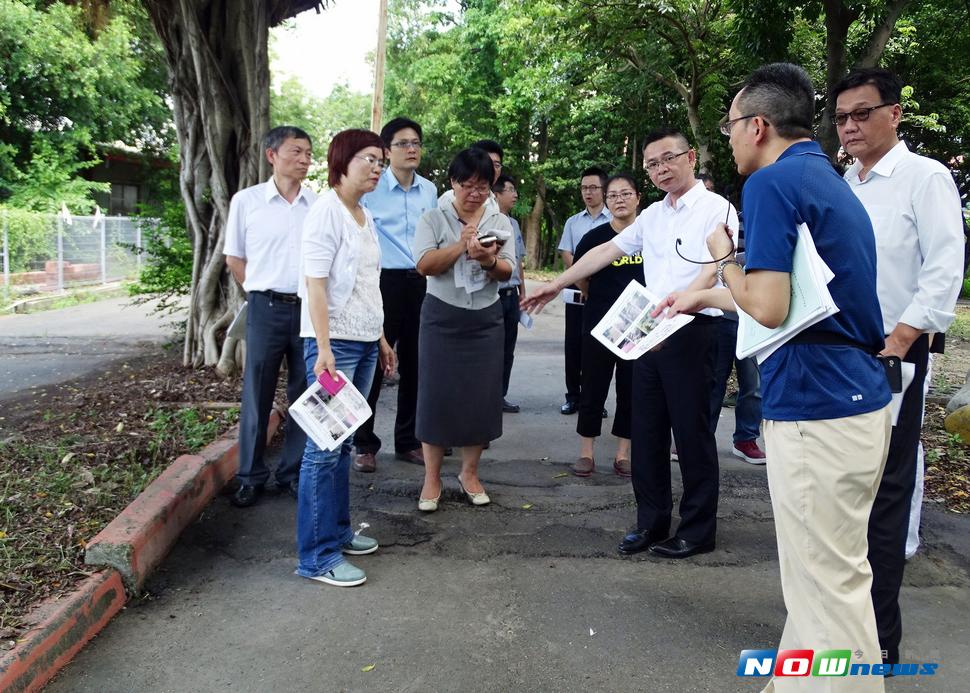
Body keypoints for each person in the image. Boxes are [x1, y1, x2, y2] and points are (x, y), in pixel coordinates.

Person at [655, 63, 893, 691]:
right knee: (832, 581)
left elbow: (768, 305)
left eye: (731, 126)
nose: (727, 140)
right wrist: (703, 298)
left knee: (823, 583)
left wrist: (721, 257)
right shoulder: (821, 176)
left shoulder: (769, 185)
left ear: (758, 126)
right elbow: (796, 301)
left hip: (817, 405)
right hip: (850, 394)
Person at [523, 128, 736, 560]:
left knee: (691, 435)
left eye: (668, 159)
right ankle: (651, 522)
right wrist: (556, 284)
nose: (661, 169)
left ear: (690, 157)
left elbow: (717, 267)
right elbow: (605, 251)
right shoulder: (653, 216)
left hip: (693, 330)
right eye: (653, 164)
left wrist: (686, 301)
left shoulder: (718, 208)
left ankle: (697, 530)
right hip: (650, 332)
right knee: (647, 430)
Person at [833, 67, 964, 667]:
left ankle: (879, 639)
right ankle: (839, 620)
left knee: (885, 492)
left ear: (895, 114)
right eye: (841, 117)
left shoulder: (924, 177)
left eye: (863, 113)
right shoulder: (846, 184)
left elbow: (943, 269)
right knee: (843, 493)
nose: (852, 126)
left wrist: (904, 334)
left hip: (893, 357)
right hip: (837, 354)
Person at [295, 129, 396, 587]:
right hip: (333, 345)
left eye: (381, 160)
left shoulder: (363, 214)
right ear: (343, 161)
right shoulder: (326, 212)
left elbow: (366, 284)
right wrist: (324, 348)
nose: (378, 167)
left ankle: (336, 534)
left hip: (362, 341)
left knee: (342, 448)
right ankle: (316, 557)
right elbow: (315, 283)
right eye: (369, 159)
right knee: (323, 449)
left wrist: (381, 338)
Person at [413, 148, 516, 512]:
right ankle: (431, 477)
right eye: (467, 184)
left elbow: (508, 270)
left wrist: (488, 259)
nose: (474, 192)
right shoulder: (432, 218)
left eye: (482, 186)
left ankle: (469, 473)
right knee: (436, 396)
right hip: (442, 316)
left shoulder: (499, 221)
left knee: (480, 398)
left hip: (486, 317)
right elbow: (424, 264)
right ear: (453, 182)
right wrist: (460, 245)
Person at [223, 126, 316, 508]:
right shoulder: (247, 202)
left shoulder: (318, 205)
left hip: (309, 309)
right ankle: (250, 475)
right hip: (265, 307)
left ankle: (292, 472)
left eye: (309, 152)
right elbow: (234, 259)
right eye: (297, 151)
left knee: (304, 393)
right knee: (256, 394)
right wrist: (261, 292)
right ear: (272, 155)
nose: (305, 158)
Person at [353, 118, 439, 472]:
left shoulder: (430, 190)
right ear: (387, 151)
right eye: (403, 143)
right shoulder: (371, 188)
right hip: (382, 283)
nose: (412, 149)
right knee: (374, 363)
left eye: (416, 142)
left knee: (417, 365)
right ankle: (364, 444)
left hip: (419, 283)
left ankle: (407, 440)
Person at [570, 173, 644, 478]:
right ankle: (586, 452)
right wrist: (592, 295)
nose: (619, 200)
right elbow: (579, 275)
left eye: (625, 194)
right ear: (606, 200)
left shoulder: (650, 237)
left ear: (638, 197)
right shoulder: (595, 238)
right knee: (593, 386)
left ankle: (622, 454)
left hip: (639, 326)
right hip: (599, 323)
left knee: (631, 389)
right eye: (612, 195)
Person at [557, 167, 612, 416]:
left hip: (603, 293)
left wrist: (595, 285)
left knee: (597, 349)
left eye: (593, 188)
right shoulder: (573, 222)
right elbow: (567, 253)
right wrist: (582, 279)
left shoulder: (614, 220)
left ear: (604, 189)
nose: (587, 193)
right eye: (584, 188)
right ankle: (573, 397)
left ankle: (594, 401)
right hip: (577, 292)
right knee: (574, 346)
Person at [493, 174, 527, 413]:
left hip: (511, 295)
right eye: (511, 190)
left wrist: (522, 291)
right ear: (497, 194)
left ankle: (499, 396)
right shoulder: (487, 222)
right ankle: (485, 397)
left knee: (507, 349)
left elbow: (519, 260)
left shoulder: (513, 224)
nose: (515, 195)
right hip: (493, 295)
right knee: (490, 349)